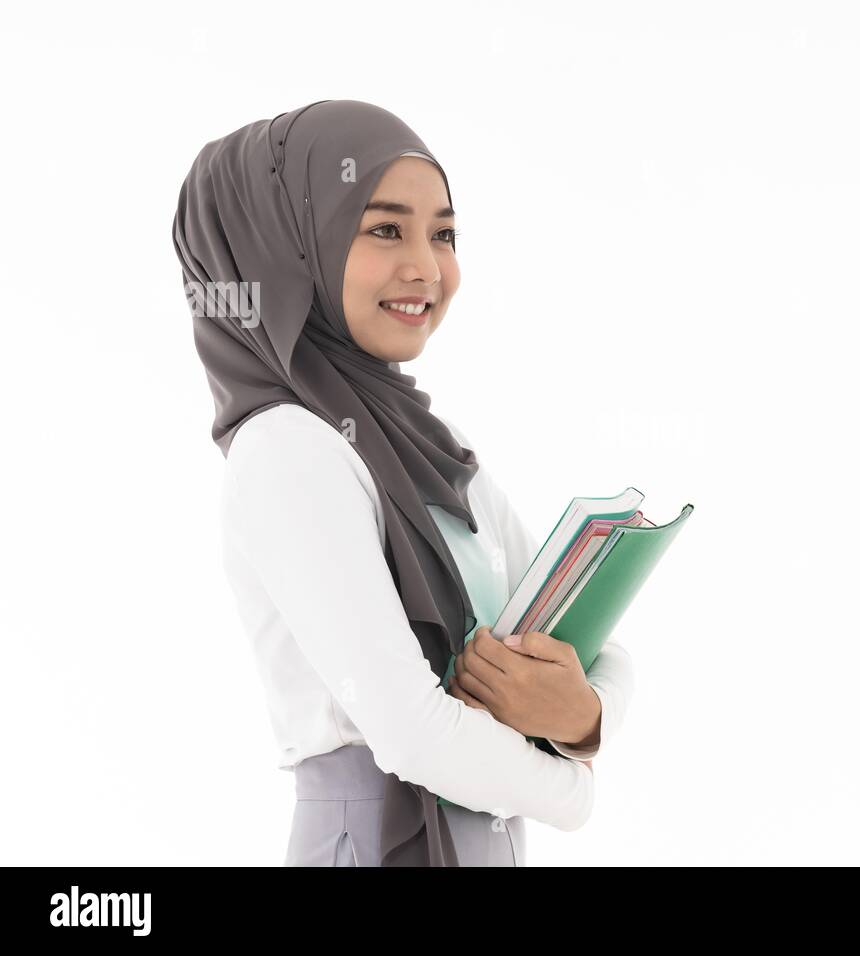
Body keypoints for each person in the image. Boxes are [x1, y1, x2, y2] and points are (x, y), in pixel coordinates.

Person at [172, 99, 635, 866]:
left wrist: (583, 717)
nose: (427, 267)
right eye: (385, 228)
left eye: (444, 233)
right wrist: (574, 791)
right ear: (290, 247)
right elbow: (412, 732)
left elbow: (601, 648)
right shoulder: (288, 451)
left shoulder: (435, 450)